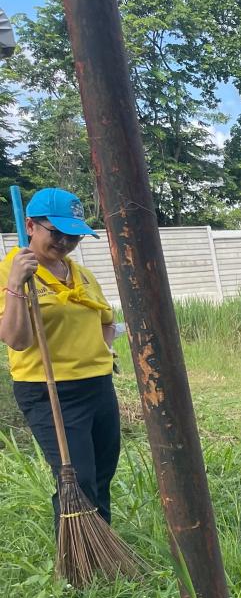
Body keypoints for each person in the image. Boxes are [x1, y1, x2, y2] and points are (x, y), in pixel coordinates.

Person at [1, 188, 121, 527]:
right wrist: (15, 285)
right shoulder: (9, 272)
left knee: (101, 471)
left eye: (74, 235)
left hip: (98, 385)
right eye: (57, 233)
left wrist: (104, 350)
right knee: (76, 477)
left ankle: (105, 544)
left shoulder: (81, 275)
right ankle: (76, 561)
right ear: (30, 226)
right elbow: (16, 339)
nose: (66, 242)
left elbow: (107, 322)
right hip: (49, 389)